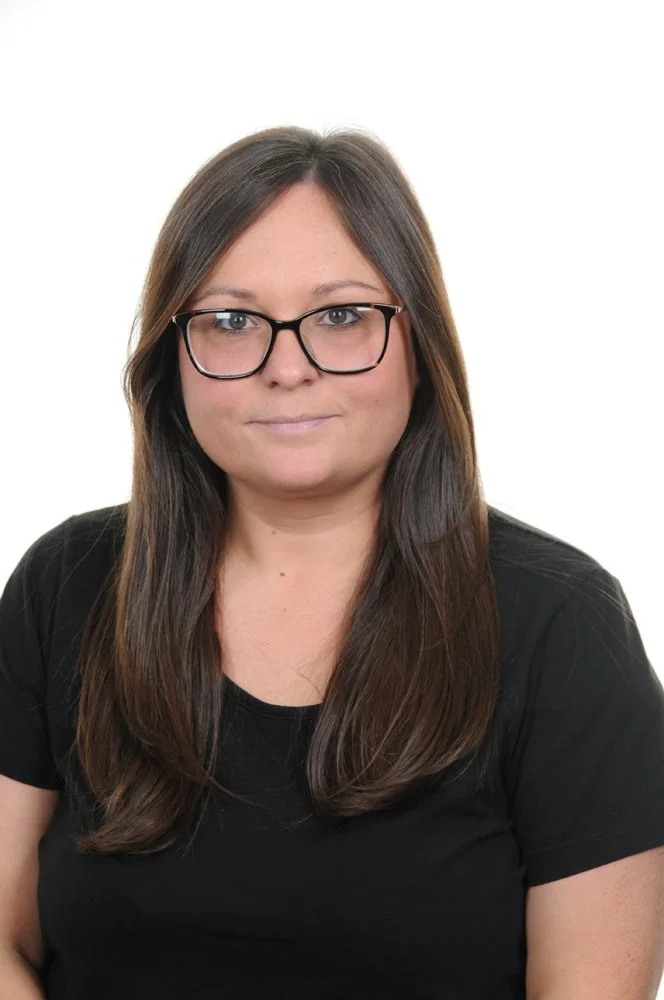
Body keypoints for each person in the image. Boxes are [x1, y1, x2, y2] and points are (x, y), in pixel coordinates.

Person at [1, 125, 663, 1000]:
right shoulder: (68, 584)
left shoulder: (563, 625)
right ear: (173, 355)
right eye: (231, 321)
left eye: (342, 316)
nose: (287, 367)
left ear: (419, 344)